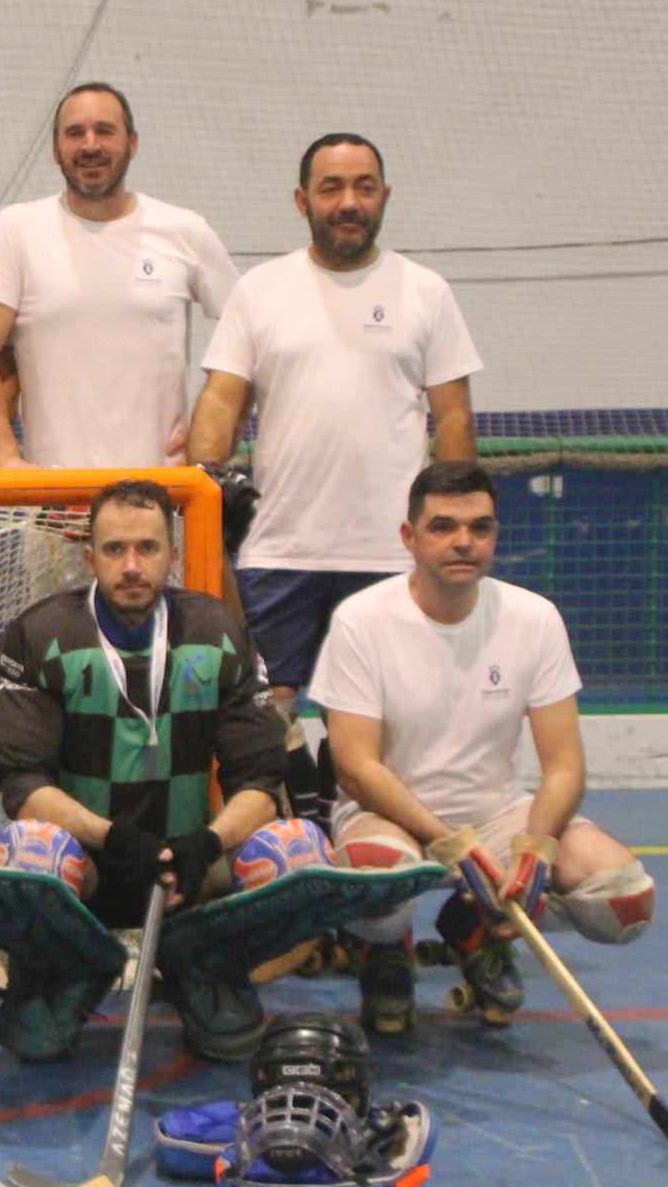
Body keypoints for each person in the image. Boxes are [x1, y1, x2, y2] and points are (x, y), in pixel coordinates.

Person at [186, 132, 482, 821]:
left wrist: (450, 524)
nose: (349, 202)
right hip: (280, 549)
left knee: (389, 723)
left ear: (384, 196)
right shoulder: (261, 290)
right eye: (332, 188)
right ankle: (289, 850)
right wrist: (204, 478)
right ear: (303, 200)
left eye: (364, 187)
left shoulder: (426, 292)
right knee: (262, 715)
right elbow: (222, 399)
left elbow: (453, 415)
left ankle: (375, 865)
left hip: (392, 553)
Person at [313, 462, 656, 1035]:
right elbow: (355, 766)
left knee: (623, 899)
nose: (463, 541)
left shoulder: (534, 618)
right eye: (443, 526)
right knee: (378, 882)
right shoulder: (361, 621)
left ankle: (471, 926)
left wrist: (536, 846)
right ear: (409, 537)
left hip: (496, 815)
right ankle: (384, 945)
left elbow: (565, 765)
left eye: (480, 527)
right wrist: (447, 841)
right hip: (388, 817)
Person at [0, 479, 288, 1060]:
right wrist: (113, 838)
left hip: (191, 867)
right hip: (89, 865)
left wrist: (207, 843)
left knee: (293, 851)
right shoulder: (40, 634)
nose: (131, 566)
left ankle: (203, 966)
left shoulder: (218, 632)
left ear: (172, 554)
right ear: (88, 557)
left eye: (147, 548)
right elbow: (21, 782)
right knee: (25, 852)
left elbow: (260, 781)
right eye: (114, 549)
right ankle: (69, 969)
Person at [0, 83, 238, 471]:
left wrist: (212, 430)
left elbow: (250, 336)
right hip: (54, 495)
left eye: (104, 131)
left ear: (132, 143)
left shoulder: (185, 230)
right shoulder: (18, 230)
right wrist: (5, 456)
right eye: (75, 133)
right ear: (56, 149)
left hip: (159, 491)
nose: (90, 145)